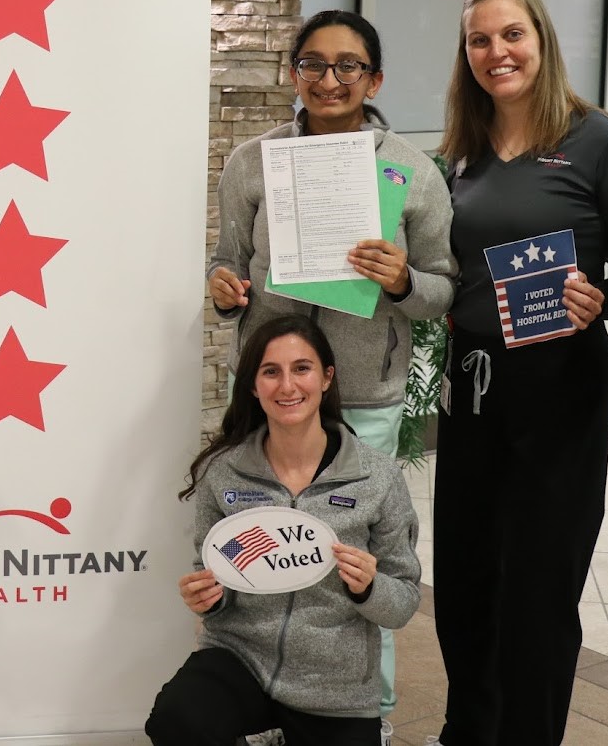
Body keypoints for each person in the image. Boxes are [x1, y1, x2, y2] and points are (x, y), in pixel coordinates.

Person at [207, 9, 455, 723]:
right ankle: (258, 707)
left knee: (351, 565)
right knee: (257, 545)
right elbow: (228, 262)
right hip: (266, 392)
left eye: (349, 66)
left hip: (364, 396)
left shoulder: (409, 170)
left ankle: (362, 718)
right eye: (313, 64)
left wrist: (403, 282)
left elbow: (442, 292)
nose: (330, 79)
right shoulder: (253, 162)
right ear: (295, 74)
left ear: (374, 79)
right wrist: (225, 292)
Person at [432, 0, 608, 746]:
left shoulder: (598, 141)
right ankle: (469, 728)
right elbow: (440, 263)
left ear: (542, 40)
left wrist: (605, 300)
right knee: (464, 578)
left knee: (538, 587)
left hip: (561, 387)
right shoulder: (459, 148)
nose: (498, 53)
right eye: (480, 41)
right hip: (472, 384)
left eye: (512, 35)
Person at [146, 314, 421, 746]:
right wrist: (209, 599)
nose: (288, 386)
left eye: (302, 368)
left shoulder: (377, 477)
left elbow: (403, 602)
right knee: (176, 721)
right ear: (253, 386)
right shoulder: (226, 473)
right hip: (241, 658)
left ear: (327, 378)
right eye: (270, 372)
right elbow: (214, 573)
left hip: (335, 685)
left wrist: (369, 587)